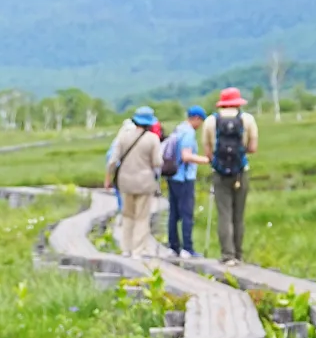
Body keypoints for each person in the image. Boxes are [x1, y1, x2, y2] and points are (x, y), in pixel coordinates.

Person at [207, 86, 260, 261]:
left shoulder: (210, 122)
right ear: (238, 102)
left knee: (224, 214)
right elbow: (252, 148)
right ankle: (239, 254)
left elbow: (208, 152)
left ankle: (227, 255)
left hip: (219, 173)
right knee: (239, 215)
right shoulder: (248, 120)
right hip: (241, 172)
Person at [104, 105, 162, 262]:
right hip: (144, 182)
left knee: (127, 215)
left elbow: (113, 160)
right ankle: (137, 250)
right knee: (142, 217)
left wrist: (108, 178)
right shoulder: (152, 139)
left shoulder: (123, 136)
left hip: (125, 182)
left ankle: (126, 249)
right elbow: (157, 162)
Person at [163, 104, 205, 258]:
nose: (200, 124)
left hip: (172, 175)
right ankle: (187, 248)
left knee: (173, 212)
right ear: (195, 118)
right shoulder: (188, 133)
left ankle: (173, 246)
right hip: (184, 177)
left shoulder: (178, 129)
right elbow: (186, 156)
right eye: (201, 120)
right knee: (187, 213)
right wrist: (205, 160)